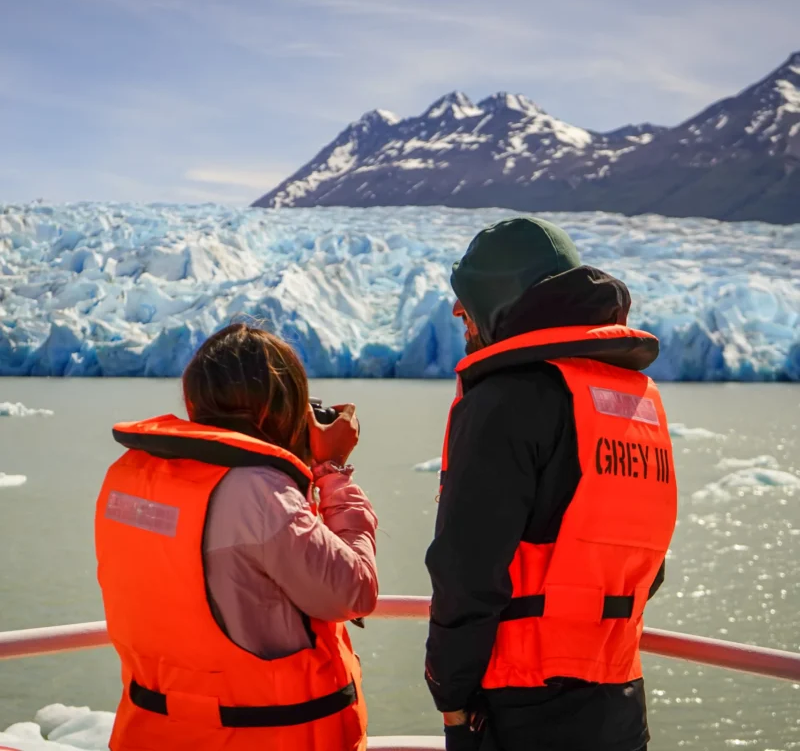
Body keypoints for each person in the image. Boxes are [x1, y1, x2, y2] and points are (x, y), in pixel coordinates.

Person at [424, 217, 678, 751]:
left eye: (466, 297)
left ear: (499, 299)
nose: (455, 311)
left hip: (522, 706)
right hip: (619, 700)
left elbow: (466, 570)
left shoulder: (502, 403)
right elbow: (645, 564)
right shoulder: (635, 400)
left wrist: (450, 696)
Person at [94, 323, 378, 751]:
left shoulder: (129, 475)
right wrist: (332, 469)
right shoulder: (260, 495)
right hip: (262, 737)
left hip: (157, 733)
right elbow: (353, 591)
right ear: (281, 407)